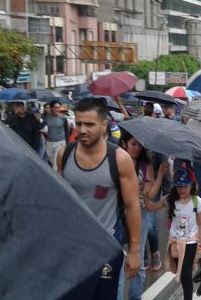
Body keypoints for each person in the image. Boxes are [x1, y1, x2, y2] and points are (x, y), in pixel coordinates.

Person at [56, 97, 141, 298]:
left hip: (106, 246)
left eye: (89, 124)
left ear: (104, 126)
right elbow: (60, 200)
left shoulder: (120, 159)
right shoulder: (64, 155)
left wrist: (135, 250)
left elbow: (132, 205)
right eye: (78, 123)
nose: (82, 130)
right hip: (73, 245)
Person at [146, 162, 201, 300]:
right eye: (179, 186)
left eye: (185, 186)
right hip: (174, 242)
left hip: (191, 241)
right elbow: (151, 207)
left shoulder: (197, 201)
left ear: (192, 185)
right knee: (183, 273)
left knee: (185, 273)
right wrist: (159, 176)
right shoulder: (170, 199)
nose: (182, 189)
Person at [119, 134, 154, 300]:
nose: (136, 148)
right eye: (133, 144)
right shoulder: (117, 162)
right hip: (119, 213)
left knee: (137, 256)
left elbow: (149, 193)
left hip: (141, 212)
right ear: (125, 144)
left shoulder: (145, 165)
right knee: (116, 257)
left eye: (139, 145)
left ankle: (136, 296)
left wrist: (140, 185)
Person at [42, 99, 71, 168]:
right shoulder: (46, 118)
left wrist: (67, 143)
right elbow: (40, 127)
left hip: (60, 142)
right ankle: (60, 171)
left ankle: (57, 176)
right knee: (52, 161)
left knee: (55, 164)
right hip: (50, 142)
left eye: (59, 107)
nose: (58, 109)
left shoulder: (63, 118)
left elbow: (67, 131)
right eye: (56, 107)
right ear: (51, 108)